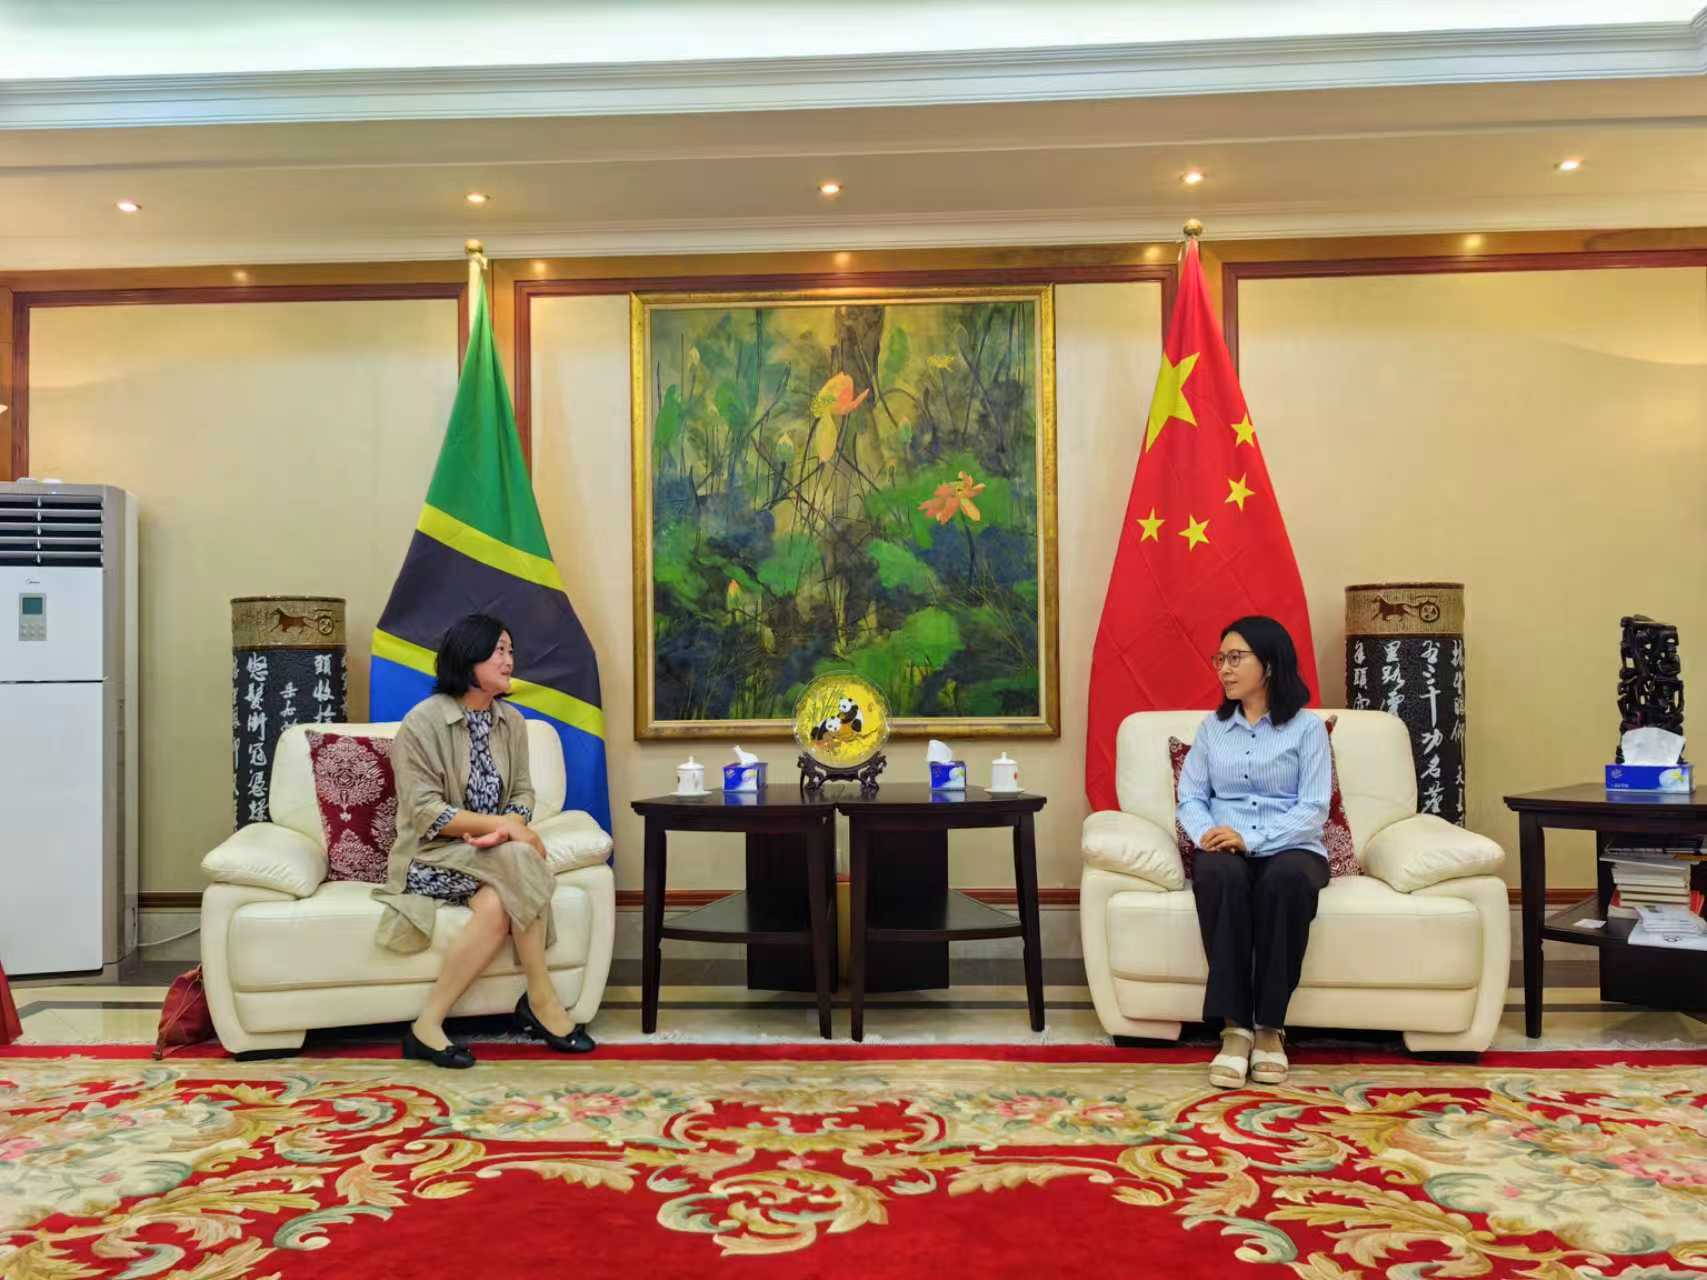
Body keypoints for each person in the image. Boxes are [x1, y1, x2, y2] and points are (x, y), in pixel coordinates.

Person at [375, 613, 594, 1067]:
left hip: (492, 856)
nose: (509, 661)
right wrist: (502, 829)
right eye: (499, 651)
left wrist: (509, 824)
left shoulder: (510, 721)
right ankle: (541, 999)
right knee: (521, 858)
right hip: (432, 855)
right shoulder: (422, 723)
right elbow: (425, 812)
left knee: (498, 901)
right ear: (468, 656)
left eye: (511, 651)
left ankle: (426, 1026)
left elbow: (523, 793)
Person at [1175, 615, 1330, 1088]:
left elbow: (1314, 807)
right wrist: (1209, 834)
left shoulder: (1307, 729)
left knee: (1288, 880)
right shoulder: (1212, 729)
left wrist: (1253, 840)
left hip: (1290, 844)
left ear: (1270, 664)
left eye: (1236, 658)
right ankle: (1235, 1028)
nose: (1224, 668)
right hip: (1225, 844)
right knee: (1218, 875)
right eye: (1220, 658)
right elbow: (1190, 797)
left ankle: (1269, 1028)